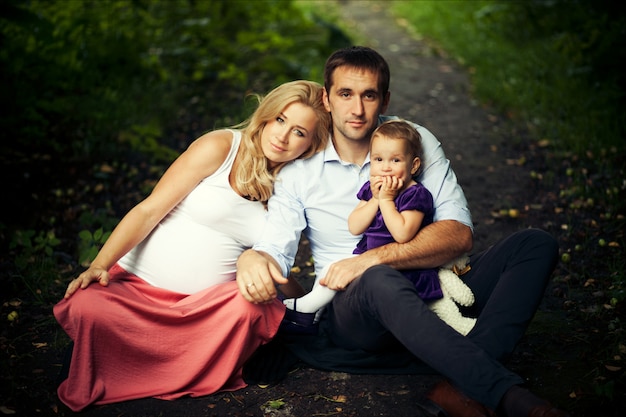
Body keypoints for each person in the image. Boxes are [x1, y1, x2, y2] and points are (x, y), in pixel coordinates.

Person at [236, 47, 569, 417]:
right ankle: (511, 397)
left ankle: (462, 384)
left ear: (385, 99)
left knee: (534, 244)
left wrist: (374, 257)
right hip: (354, 309)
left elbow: (459, 234)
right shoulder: (301, 169)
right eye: (345, 94)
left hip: (433, 283)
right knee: (379, 279)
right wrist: (254, 256)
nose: (357, 110)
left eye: (369, 95)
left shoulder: (414, 141)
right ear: (327, 99)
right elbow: (276, 250)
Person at [52, 80, 331, 412]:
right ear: (266, 117)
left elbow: (274, 263)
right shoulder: (221, 147)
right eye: (280, 120)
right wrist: (99, 264)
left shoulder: (291, 192)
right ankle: (158, 359)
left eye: (299, 132)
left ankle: (152, 360)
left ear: (312, 145)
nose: (282, 136)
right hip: (137, 291)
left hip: (205, 309)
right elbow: (148, 210)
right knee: (88, 305)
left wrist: (304, 307)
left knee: (252, 307)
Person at [281, 119, 441, 324]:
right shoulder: (372, 190)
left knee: (354, 279)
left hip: (399, 267)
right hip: (367, 259)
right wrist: (375, 199)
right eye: (378, 159)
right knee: (335, 267)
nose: (385, 168)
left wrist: (386, 200)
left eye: (395, 160)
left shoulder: (415, 195)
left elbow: (403, 234)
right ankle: (313, 306)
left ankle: (309, 308)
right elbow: (355, 226)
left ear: (414, 165)